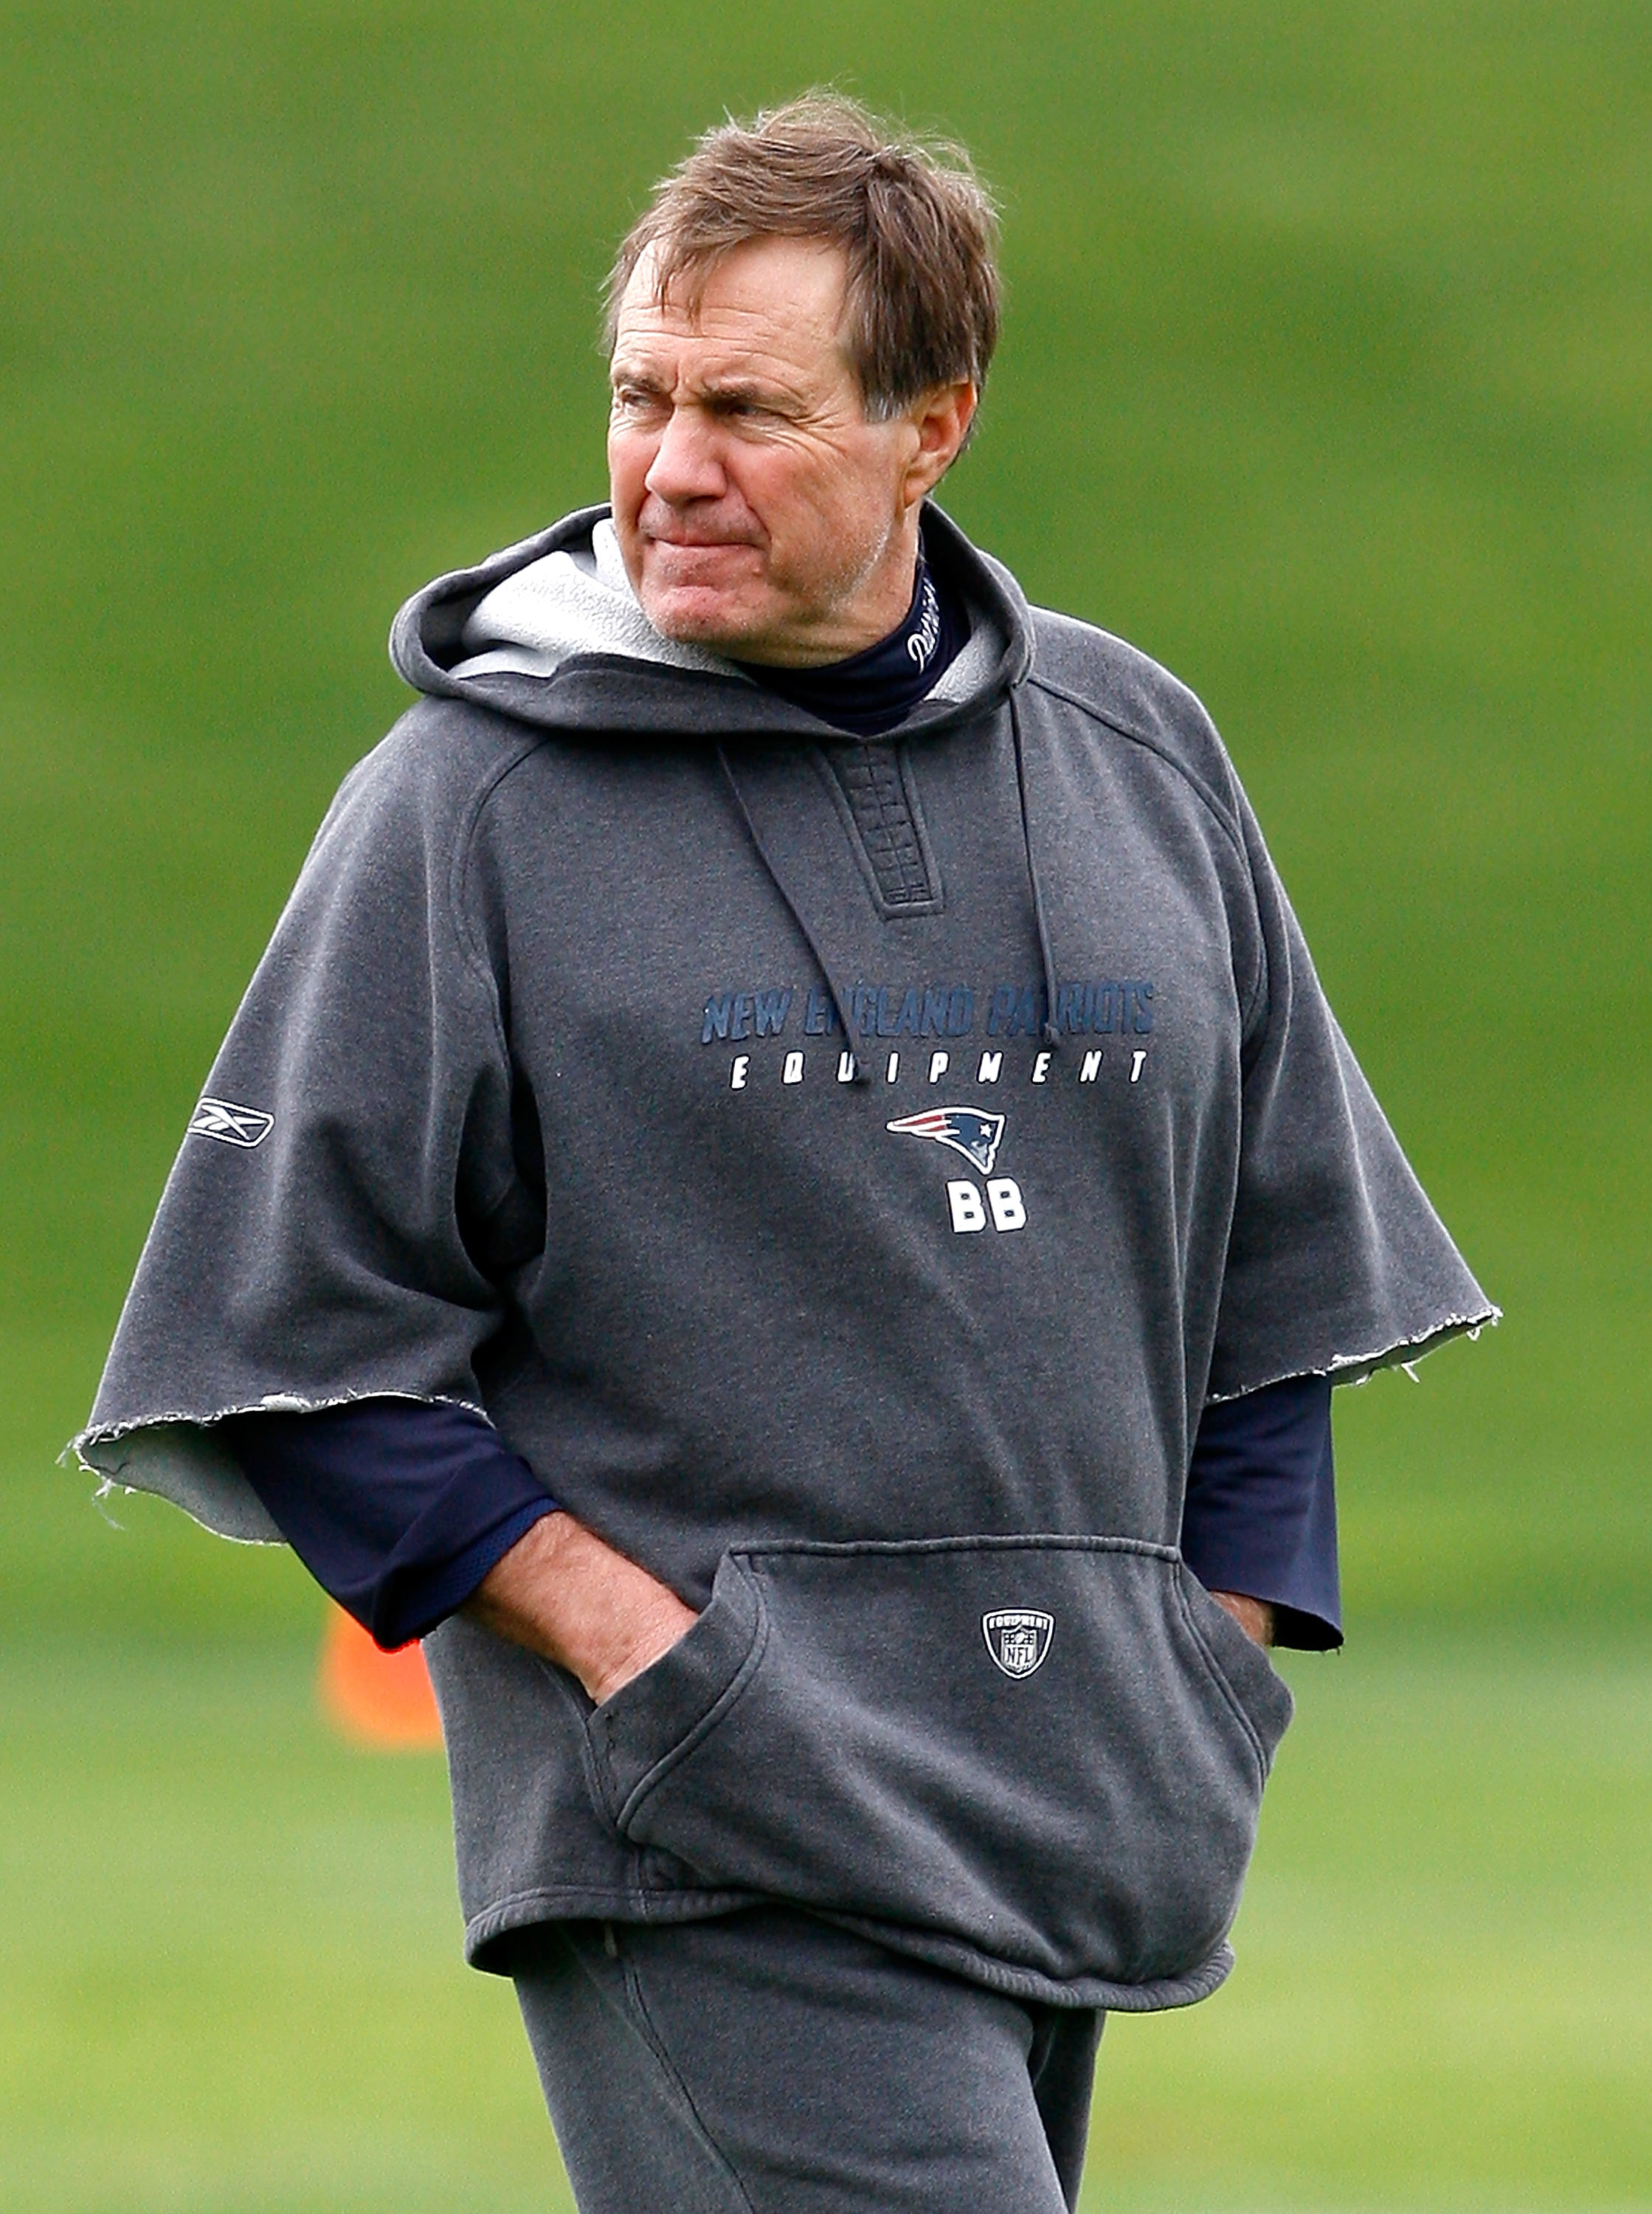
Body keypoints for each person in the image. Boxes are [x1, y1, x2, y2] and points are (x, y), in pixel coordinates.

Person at [76, 95, 1495, 2214]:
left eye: (747, 409)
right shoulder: (463, 809)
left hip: (1082, 1807)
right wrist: (661, 1666)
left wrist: (1212, 1648)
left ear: (935, 427)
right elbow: (297, 1345)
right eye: (641, 397)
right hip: (712, 1839)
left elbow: (1279, 1274)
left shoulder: (1139, 755)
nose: (668, 467)